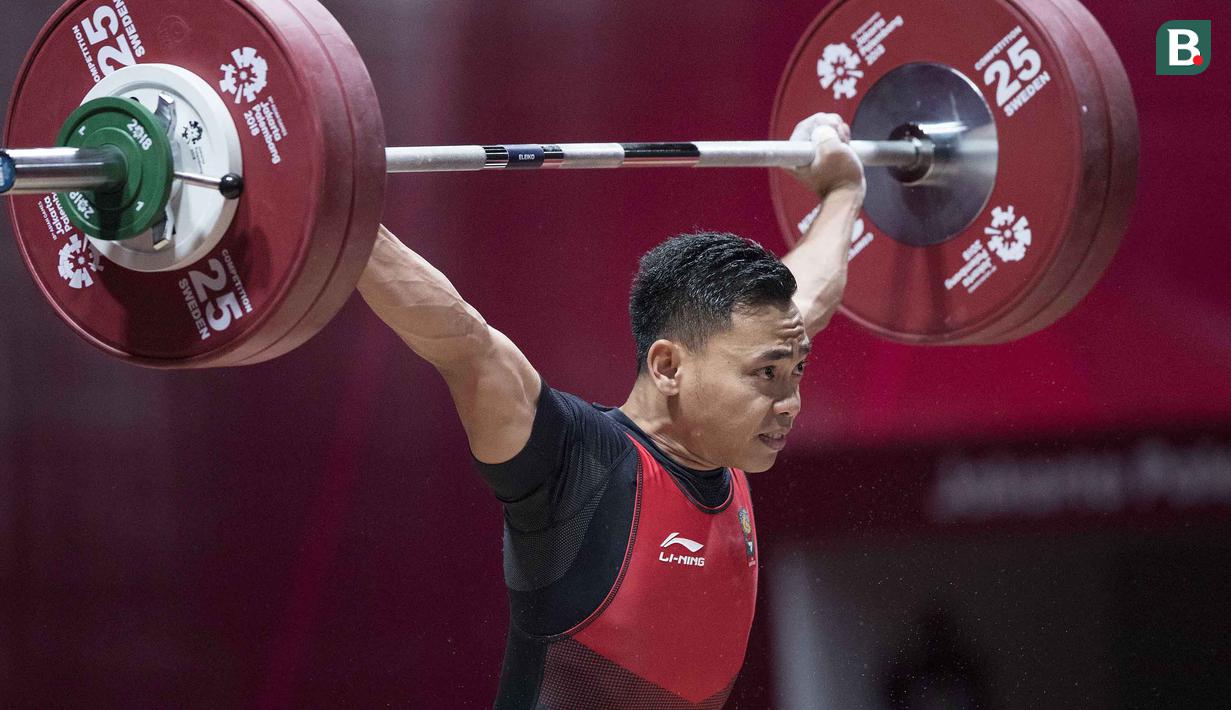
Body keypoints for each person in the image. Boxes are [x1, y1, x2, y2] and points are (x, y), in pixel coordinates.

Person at [357, 113, 866, 709]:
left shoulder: (729, 432)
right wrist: (340, 212)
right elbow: (461, 340)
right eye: (768, 375)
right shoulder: (578, 465)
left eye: (795, 371)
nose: (790, 402)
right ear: (669, 366)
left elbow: (811, 297)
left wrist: (843, 189)